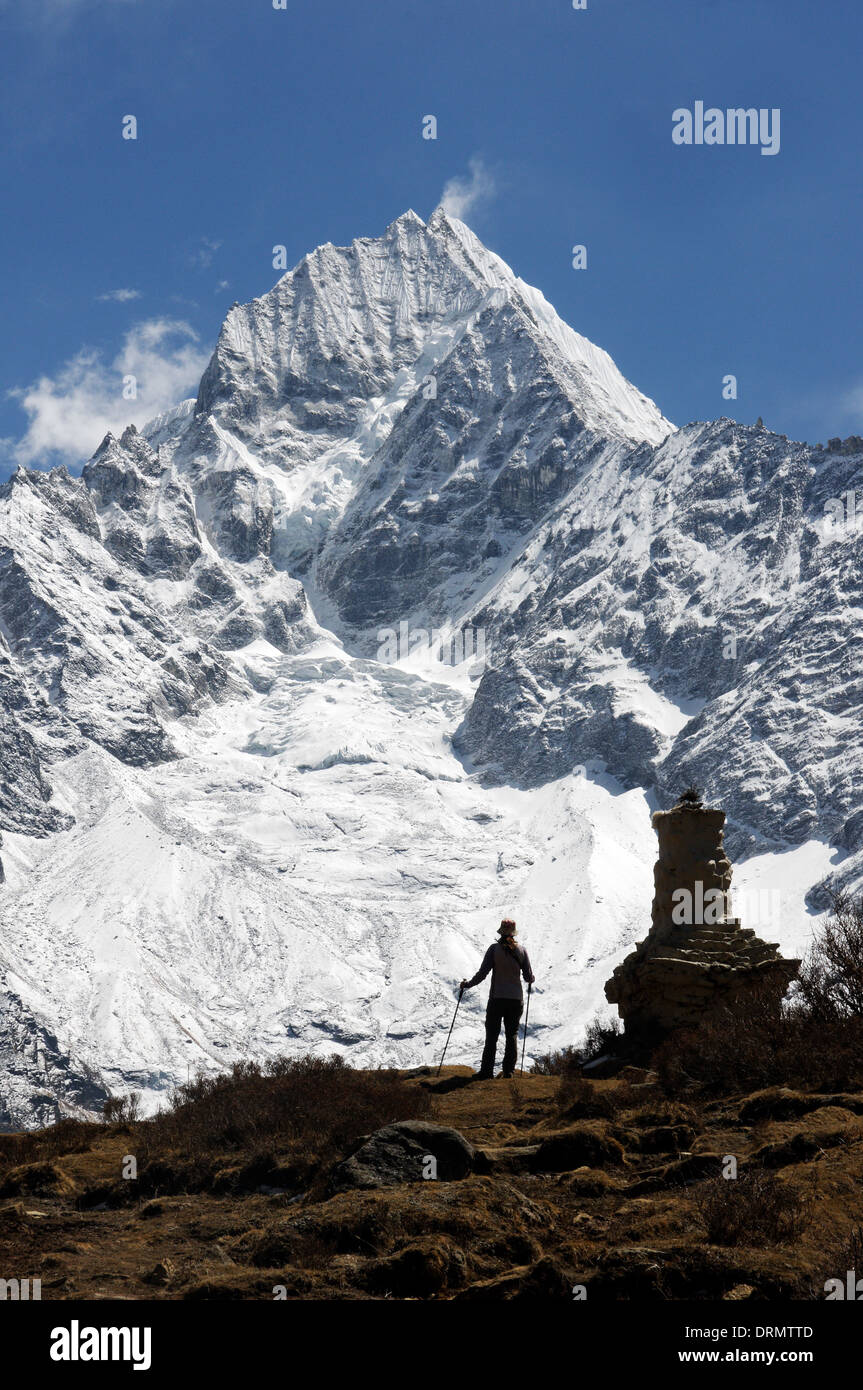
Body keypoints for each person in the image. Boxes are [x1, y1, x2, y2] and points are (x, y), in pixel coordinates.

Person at [460, 918, 535, 1079]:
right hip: (516, 999)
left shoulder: (494, 950)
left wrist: (468, 985)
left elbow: (482, 974)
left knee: (492, 1036)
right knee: (512, 1034)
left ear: (500, 932)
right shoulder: (522, 951)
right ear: (514, 934)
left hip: (497, 998)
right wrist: (531, 978)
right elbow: (528, 977)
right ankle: (508, 1071)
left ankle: (486, 1072)